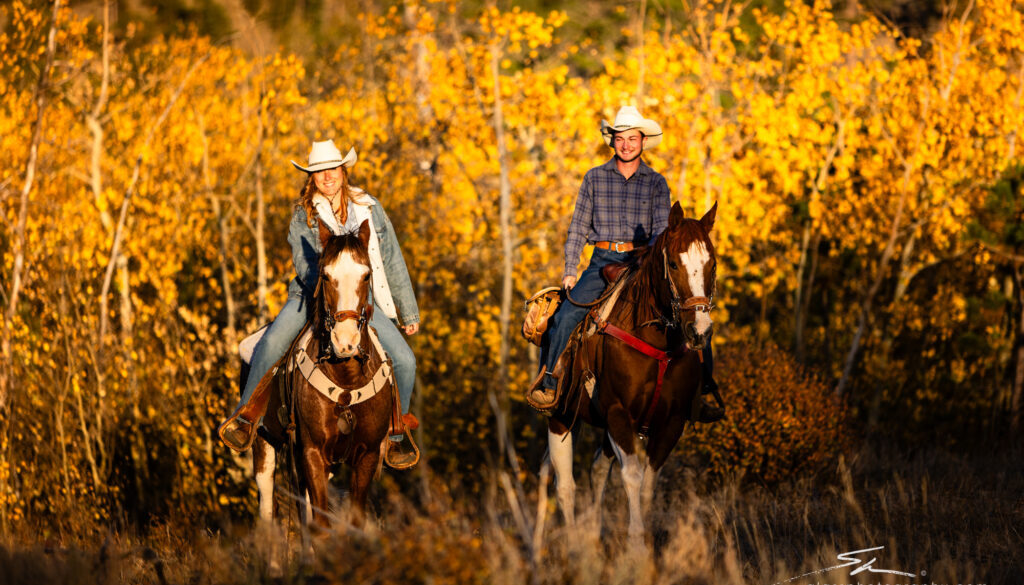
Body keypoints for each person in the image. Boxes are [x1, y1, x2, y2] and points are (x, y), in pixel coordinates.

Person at [219, 139, 421, 465]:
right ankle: (245, 417)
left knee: (405, 361)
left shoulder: (370, 207)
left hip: (359, 301)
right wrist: (330, 294)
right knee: (271, 345)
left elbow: (391, 258)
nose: (327, 177)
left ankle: (397, 436)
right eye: (319, 172)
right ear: (311, 178)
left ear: (343, 171)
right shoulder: (303, 214)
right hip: (311, 295)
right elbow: (303, 263)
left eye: (332, 169)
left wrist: (407, 309)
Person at [528, 106, 724, 423]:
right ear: (613, 141)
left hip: (642, 260)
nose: (627, 144)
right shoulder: (594, 178)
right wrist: (569, 269)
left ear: (642, 140)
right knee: (565, 315)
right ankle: (550, 384)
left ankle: (701, 391)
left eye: (632, 138)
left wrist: (651, 259)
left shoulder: (656, 183)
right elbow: (578, 227)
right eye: (621, 138)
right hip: (601, 260)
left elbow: (664, 230)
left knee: (695, 315)